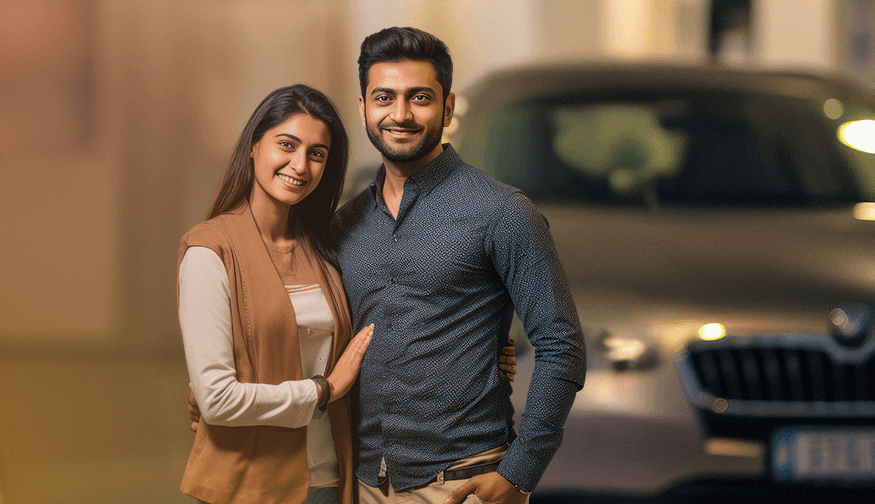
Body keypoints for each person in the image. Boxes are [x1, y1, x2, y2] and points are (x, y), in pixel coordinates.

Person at [333, 27, 587, 504]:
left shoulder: (502, 213)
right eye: (384, 97)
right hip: (365, 484)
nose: (401, 114)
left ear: (447, 108)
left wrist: (520, 471)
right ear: (364, 106)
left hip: (464, 484)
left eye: (420, 97)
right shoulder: (345, 225)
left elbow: (562, 344)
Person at [178, 84, 375, 504]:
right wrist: (322, 390)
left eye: (317, 154)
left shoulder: (325, 249)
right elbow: (217, 400)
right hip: (250, 488)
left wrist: (491, 345)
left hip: (328, 481)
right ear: (253, 145)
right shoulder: (209, 251)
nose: (300, 165)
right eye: (286, 144)